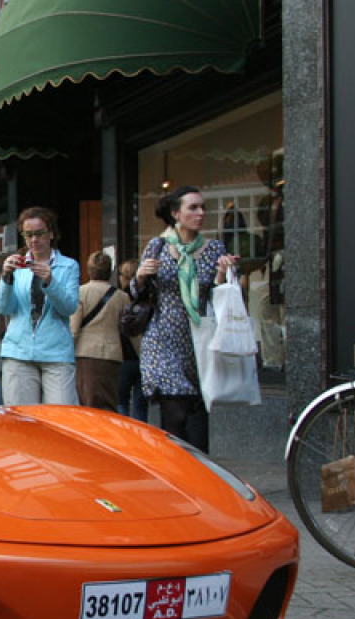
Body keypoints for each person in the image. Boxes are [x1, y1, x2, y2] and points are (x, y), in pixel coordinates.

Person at [135, 184, 240, 452]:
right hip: (162, 339)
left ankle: (200, 477)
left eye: (203, 207)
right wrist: (140, 276)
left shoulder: (214, 249)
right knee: (176, 412)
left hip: (199, 339)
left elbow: (217, 296)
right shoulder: (157, 246)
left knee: (197, 414)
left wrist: (222, 275)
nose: (201, 212)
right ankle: (175, 473)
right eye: (193, 207)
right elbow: (136, 293)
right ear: (175, 213)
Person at [0, 207, 80, 405]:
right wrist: (6, 278)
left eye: (39, 233)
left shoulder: (68, 266)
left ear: (51, 233)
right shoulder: (18, 266)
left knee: (61, 419)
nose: (34, 240)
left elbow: (69, 308)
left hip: (56, 353)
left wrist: (50, 281)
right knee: (21, 421)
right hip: (18, 352)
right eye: (29, 235)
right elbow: (4, 308)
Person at [70, 251, 130, 411]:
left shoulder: (80, 293)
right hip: (112, 354)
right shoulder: (122, 297)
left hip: (85, 353)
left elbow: (74, 329)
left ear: (89, 270)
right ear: (110, 271)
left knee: (88, 403)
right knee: (109, 401)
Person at [116, 258, 149, 421]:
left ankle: (124, 439)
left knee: (121, 402)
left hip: (123, 356)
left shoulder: (119, 297)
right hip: (144, 356)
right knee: (141, 406)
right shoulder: (147, 297)